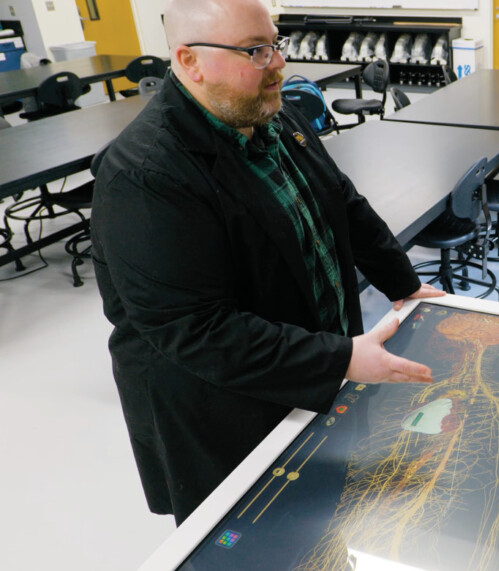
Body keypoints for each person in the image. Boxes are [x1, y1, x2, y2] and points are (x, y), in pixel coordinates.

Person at [90, 0, 443, 524]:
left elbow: (341, 201)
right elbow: (195, 330)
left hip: (305, 357)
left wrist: (404, 285)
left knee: (323, 514)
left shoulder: (272, 114)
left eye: (275, 43)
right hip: (220, 406)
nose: (278, 63)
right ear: (190, 62)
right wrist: (338, 359)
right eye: (255, 51)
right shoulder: (145, 175)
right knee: (258, 528)